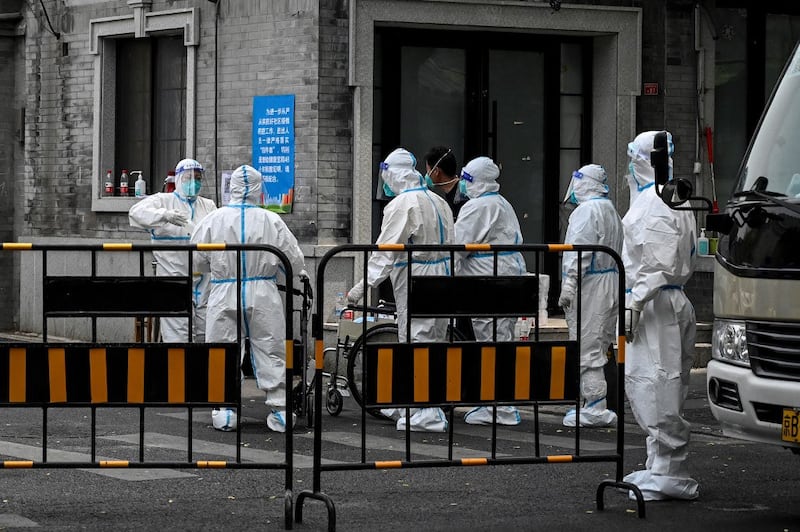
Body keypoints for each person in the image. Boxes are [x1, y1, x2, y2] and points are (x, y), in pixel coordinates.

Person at [191, 164, 306, 433]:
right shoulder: (272, 220)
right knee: (270, 346)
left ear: (231, 188)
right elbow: (293, 258)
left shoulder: (214, 219)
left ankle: (225, 408)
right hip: (263, 290)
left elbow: (196, 257)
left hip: (224, 289)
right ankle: (281, 409)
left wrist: (219, 266)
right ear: (258, 188)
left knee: (222, 347)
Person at [347, 147, 453, 432]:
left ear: (393, 174)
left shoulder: (403, 204)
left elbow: (386, 252)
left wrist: (360, 287)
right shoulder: (438, 200)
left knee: (415, 341)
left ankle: (425, 412)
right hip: (443, 275)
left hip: (417, 276)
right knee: (434, 343)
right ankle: (420, 402)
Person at [621, 130, 699, 501]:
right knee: (660, 383)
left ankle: (670, 471)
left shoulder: (654, 202)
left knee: (657, 384)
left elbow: (658, 262)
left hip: (655, 304)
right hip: (665, 301)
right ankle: (660, 465)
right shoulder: (671, 197)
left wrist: (635, 301)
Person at [453, 156, 526, 426]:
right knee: (501, 340)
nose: (462, 183)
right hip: (507, 277)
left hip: (488, 282)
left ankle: (497, 406)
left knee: (490, 341)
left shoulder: (477, 207)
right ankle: (500, 402)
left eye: (467, 179)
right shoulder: (502, 203)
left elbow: (457, 247)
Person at [557, 164, 623, 428]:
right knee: (600, 342)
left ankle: (595, 406)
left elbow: (577, 252)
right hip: (610, 281)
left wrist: (569, 285)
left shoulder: (586, 212)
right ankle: (594, 403)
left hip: (591, 284)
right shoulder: (609, 209)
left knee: (586, 346)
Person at [128, 158, 217, 342]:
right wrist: (164, 215)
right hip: (174, 280)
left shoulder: (208, 205)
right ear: (178, 180)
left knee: (206, 334)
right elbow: (135, 213)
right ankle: (179, 370)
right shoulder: (163, 201)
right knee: (179, 336)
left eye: (198, 178)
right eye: (188, 178)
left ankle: (201, 371)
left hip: (204, 282)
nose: (194, 182)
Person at [423, 146, 465, 220]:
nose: (427, 175)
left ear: (436, 171)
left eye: (428, 170)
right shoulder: (451, 193)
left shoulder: (461, 198)